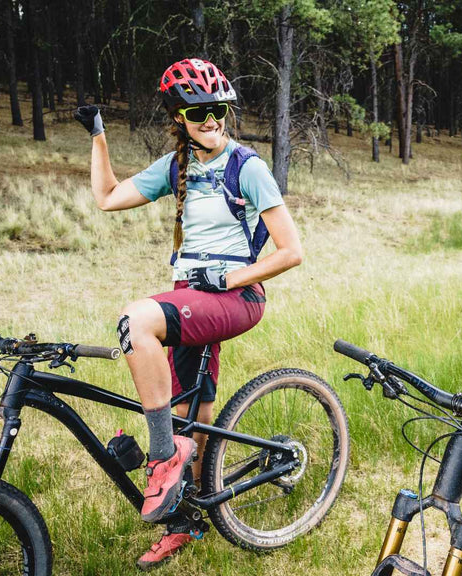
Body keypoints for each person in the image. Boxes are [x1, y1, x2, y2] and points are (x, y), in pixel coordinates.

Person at [73, 57, 303, 570]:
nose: (213, 120)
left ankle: (163, 457)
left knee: (137, 321)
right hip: (192, 295)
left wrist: (227, 278)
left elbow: (291, 251)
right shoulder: (177, 165)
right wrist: (98, 136)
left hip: (236, 296)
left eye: (220, 110)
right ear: (179, 117)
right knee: (190, 404)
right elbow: (108, 198)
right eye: (200, 113)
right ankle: (188, 517)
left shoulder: (249, 167)